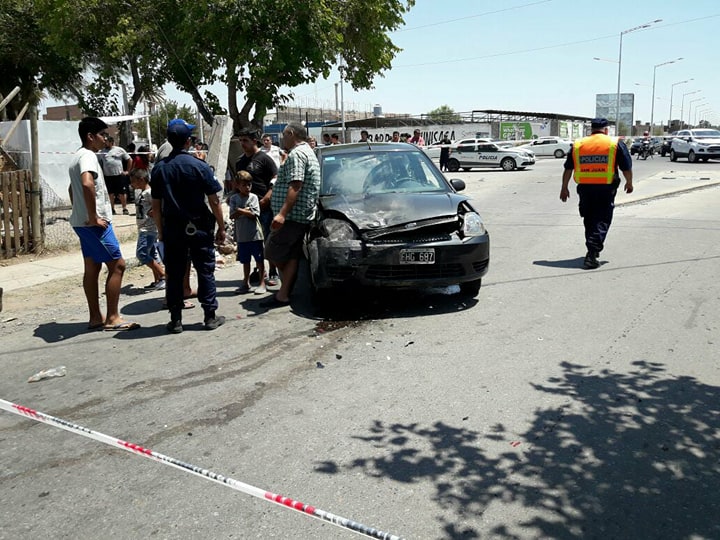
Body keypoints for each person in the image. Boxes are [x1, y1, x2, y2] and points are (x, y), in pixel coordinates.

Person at [151, 118, 226, 333]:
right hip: (200, 227)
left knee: (174, 273)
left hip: (173, 229)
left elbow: (156, 206)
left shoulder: (159, 169)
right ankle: (210, 316)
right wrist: (221, 227)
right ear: (187, 142)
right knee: (205, 271)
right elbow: (214, 200)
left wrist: (161, 232)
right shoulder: (200, 166)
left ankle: (176, 319)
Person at [68, 117, 139, 331]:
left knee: (92, 267)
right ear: (91, 136)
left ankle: (95, 317)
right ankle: (112, 318)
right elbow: (87, 183)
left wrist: (81, 212)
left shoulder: (76, 157)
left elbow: (72, 190)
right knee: (118, 265)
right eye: (102, 135)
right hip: (94, 225)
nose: (105, 139)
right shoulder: (88, 156)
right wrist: (93, 216)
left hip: (82, 223)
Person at [261, 122, 320, 308]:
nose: (282, 138)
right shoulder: (304, 152)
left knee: (272, 251)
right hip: (298, 215)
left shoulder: (298, 154)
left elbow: (296, 185)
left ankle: (286, 290)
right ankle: (284, 293)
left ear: (292, 133)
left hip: (292, 216)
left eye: (284, 134)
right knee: (292, 255)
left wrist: (282, 214)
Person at [560, 118, 633, 270]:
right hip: (606, 188)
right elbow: (626, 166)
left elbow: (568, 168)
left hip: (585, 188)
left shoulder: (578, 144)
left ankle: (592, 248)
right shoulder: (614, 143)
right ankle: (592, 254)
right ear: (606, 130)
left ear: (591, 130)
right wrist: (629, 182)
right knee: (602, 219)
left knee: (589, 218)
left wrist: (564, 187)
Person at [235, 127, 279, 286]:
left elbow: (275, 179)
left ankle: (273, 271)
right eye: (240, 141)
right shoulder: (240, 161)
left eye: (245, 140)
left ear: (255, 141)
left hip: (264, 207)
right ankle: (260, 272)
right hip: (247, 211)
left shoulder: (264, 158)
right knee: (252, 242)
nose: (242, 144)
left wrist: (267, 197)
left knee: (267, 239)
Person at [229, 170, 266, 295]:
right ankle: (246, 282)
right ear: (238, 185)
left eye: (249, 185)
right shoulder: (234, 199)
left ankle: (262, 282)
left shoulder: (254, 197)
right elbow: (232, 215)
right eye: (244, 185)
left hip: (255, 235)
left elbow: (254, 214)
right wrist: (243, 210)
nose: (247, 187)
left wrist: (240, 211)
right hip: (242, 236)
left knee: (259, 260)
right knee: (245, 261)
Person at [130, 168, 165, 290]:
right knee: (151, 254)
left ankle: (163, 275)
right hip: (144, 227)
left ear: (141, 180)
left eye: (133, 181)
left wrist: (154, 211)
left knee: (142, 254)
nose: (132, 184)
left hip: (149, 229)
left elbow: (159, 204)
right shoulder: (142, 193)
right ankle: (158, 280)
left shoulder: (149, 192)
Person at [99, 136, 133, 215]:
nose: (104, 143)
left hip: (119, 175)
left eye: (106, 141)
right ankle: (112, 209)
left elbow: (129, 159)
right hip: (108, 176)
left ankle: (124, 208)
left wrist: (127, 171)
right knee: (110, 193)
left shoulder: (119, 150)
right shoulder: (101, 152)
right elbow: (99, 162)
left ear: (111, 142)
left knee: (122, 192)